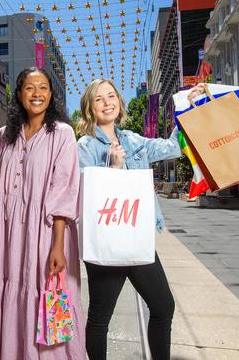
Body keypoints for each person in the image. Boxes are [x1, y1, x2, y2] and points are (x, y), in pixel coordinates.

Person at [0, 67, 85, 359]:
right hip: (6, 232)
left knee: (48, 296)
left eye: (43, 88)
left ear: (51, 95)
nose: (36, 94)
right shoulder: (4, 136)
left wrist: (58, 245)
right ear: (19, 94)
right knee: (8, 288)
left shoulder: (62, 134)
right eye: (29, 88)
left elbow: (63, 189)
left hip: (47, 231)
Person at [76, 78, 187, 360]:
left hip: (138, 239)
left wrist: (189, 107)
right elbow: (83, 193)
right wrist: (111, 167)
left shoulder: (134, 140)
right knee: (100, 317)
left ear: (119, 102)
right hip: (106, 241)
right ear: (90, 108)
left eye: (111, 96)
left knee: (163, 307)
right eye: (99, 99)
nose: (107, 102)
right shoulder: (84, 146)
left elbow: (174, 147)